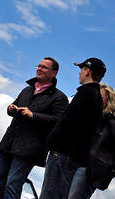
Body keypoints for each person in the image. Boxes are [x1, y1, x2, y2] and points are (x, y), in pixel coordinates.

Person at [0, 57, 69, 199]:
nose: (39, 69)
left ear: (54, 73)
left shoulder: (59, 98)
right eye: (38, 66)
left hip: (30, 148)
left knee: (12, 184)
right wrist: (11, 108)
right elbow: (12, 108)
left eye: (44, 67)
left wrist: (33, 115)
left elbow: (59, 122)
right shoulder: (27, 90)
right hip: (10, 142)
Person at [41, 58, 106, 199]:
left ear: (87, 71)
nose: (79, 73)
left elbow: (68, 123)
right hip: (73, 157)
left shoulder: (86, 93)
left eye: (82, 69)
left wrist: (52, 142)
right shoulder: (97, 98)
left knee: (50, 194)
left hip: (62, 154)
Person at [67, 84, 115, 199]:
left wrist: (103, 173)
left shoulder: (113, 124)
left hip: (86, 172)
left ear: (109, 101)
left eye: (100, 97)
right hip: (71, 165)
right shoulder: (88, 119)